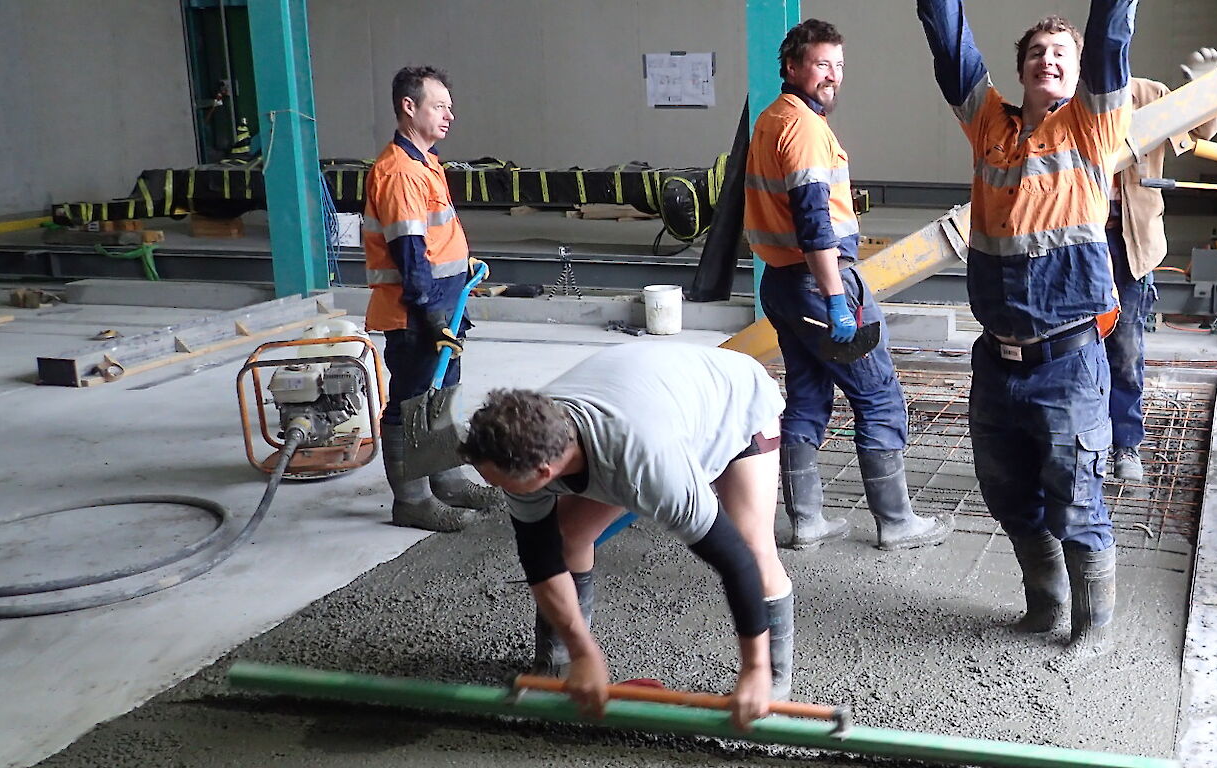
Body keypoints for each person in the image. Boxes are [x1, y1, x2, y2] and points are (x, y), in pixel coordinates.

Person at [917, 0, 1134, 658]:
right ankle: (1045, 607)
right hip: (997, 363)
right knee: (1009, 495)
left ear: (1077, 76)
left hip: (1068, 363)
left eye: (1060, 56)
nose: (1049, 61)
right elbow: (950, 46)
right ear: (1021, 72)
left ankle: (1092, 629)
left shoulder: (1093, 128)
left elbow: (1108, 41)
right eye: (1037, 54)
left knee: (1077, 500)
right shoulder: (990, 125)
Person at [461, 343, 801, 727]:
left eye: (494, 479)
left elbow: (734, 560)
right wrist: (584, 653)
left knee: (754, 548)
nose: (489, 484)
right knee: (566, 534)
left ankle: (768, 684)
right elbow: (540, 557)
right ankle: (559, 665)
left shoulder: (648, 466)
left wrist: (752, 668)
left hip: (733, 403)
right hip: (651, 397)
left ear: (543, 473)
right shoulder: (522, 439)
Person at [745, 19, 950, 552]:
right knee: (879, 397)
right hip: (819, 283)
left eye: (839, 66)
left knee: (808, 398)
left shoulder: (771, 121)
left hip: (781, 285)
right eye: (821, 64)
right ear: (792, 67)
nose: (833, 76)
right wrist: (838, 301)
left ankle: (806, 520)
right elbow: (815, 224)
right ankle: (897, 522)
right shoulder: (806, 130)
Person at [363, 66, 502, 533]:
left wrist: (461, 267)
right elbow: (408, 252)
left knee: (440, 393)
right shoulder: (400, 172)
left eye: (449, 106)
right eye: (439, 106)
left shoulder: (425, 161)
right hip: (415, 309)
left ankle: (446, 480)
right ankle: (413, 501)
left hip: (443, 301)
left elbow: (432, 237)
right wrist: (430, 312)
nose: (449, 115)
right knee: (411, 400)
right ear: (409, 107)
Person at [1105, 50, 1217, 482]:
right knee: (1071, 349)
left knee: (1125, 349)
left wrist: (1204, 88)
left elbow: (1200, 129)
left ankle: (1124, 446)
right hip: (1076, 245)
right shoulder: (1065, 101)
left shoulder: (1147, 94)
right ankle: (1080, 443)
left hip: (1129, 244)